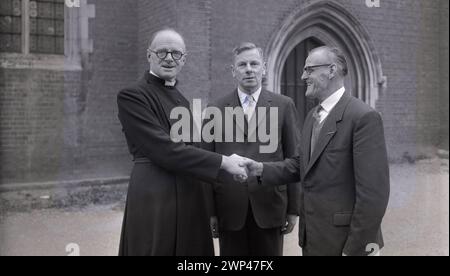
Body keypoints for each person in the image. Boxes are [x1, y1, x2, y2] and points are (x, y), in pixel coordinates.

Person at [242, 46, 390, 256]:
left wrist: (354, 250)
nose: (303, 76)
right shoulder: (313, 115)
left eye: (309, 70)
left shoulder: (363, 118)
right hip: (314, 241)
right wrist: (259, 169)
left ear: (331, 70)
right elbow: (300, 165)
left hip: (348, 244)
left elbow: (374, 196)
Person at [117, 28, 248, 256]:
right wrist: (224, 162)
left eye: (176, 53)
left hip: (190, 196)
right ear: (149, 55)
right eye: (162, 52)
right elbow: (164, 149)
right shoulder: (132, 96)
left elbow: (195, 150)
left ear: (184, 59)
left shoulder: (182, 101)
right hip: (155, 195)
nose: (169, 58)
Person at [202, 43, 301, 256]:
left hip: (270, 205)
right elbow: (208, 164)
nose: (249, 69)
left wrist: (294, 208)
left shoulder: (284, 105)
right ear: (233, 71)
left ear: (263, 68)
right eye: (242, 64)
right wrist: (210, 212)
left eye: (254, 63)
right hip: (229, 209)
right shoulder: (215, 109)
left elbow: (294, 158)